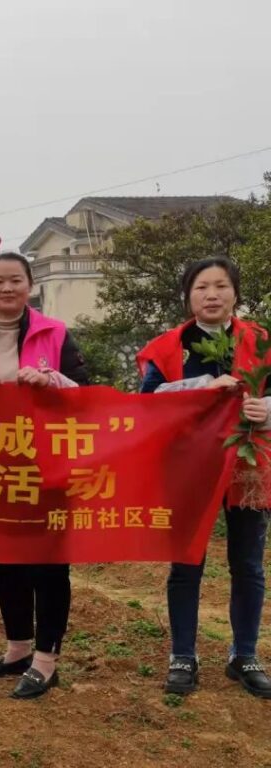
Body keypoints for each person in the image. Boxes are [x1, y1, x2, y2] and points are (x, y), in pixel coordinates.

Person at [0, 251, 89, 699]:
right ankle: (18, 648)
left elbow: (87, 395)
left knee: (48, 563)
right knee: (5, 562)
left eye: (15, 281)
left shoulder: (55, 333)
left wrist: (53, 381)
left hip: (46, 465)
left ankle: (47, 659)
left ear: (30, 285)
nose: (6, 289)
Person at [137, 256, 271, 699]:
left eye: (220, 286)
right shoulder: (166, 348)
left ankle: (244, 654)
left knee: (248, 563)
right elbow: (148, 403)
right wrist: (199, 388)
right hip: (188, 467)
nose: (211, 294)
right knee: (186, 561)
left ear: (236, 292)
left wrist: (267, 411)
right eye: (201, 287)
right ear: (188, 295)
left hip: (249, 466)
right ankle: (183, 654)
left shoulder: (262, 341)